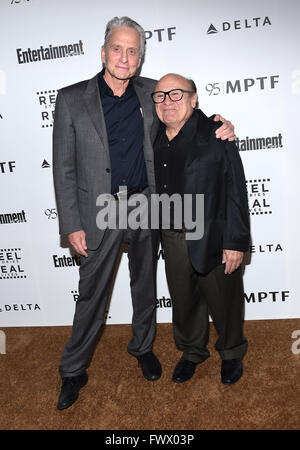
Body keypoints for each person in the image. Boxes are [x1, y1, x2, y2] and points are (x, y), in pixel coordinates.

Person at [53, 17, 236, 410]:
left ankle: (142, 348)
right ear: (104, 52)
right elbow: (63, 167)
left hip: (147, 203)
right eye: (117, 48)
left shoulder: (152, 92)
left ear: (140, 58)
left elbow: (188, 113)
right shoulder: (71, 99)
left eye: (132, 50)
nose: (124, 57)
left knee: (145, 287)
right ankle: (72, 370)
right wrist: (71, 224)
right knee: (91, 296)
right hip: (99, 210)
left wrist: (221, 124)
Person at [152, 73, 250, 385]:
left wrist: (235, 241)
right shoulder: (151, 134)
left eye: (176, 94)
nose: (168, 102)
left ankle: (232, 351)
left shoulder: (216, 135)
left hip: (212, 234)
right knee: (183, 299)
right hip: (170, 234)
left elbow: (236, 189)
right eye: (161, 95)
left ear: (194, 99)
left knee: (224, 299)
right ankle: (192, 351)